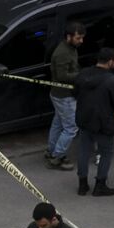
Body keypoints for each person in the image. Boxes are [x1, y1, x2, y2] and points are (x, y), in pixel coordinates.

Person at [71, 45, 114, 196]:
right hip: (104, 123)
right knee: (106, 152)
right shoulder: (113, 81)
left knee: (83, 151)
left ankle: (82, 184)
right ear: (111, 61)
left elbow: (74, 92)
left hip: (84, 119)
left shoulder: (83, 74)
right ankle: (100, 185)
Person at [43, 21, 85, 169]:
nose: (81, 41)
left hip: (59, 94)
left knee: (58, 123)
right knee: (71, 127)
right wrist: (80, 75)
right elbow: (62, 75)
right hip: (64, 96)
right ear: (69, 36)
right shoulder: (63, 53)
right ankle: (57, 156)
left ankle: (51, 150)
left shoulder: (70, 48)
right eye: (78, 38)